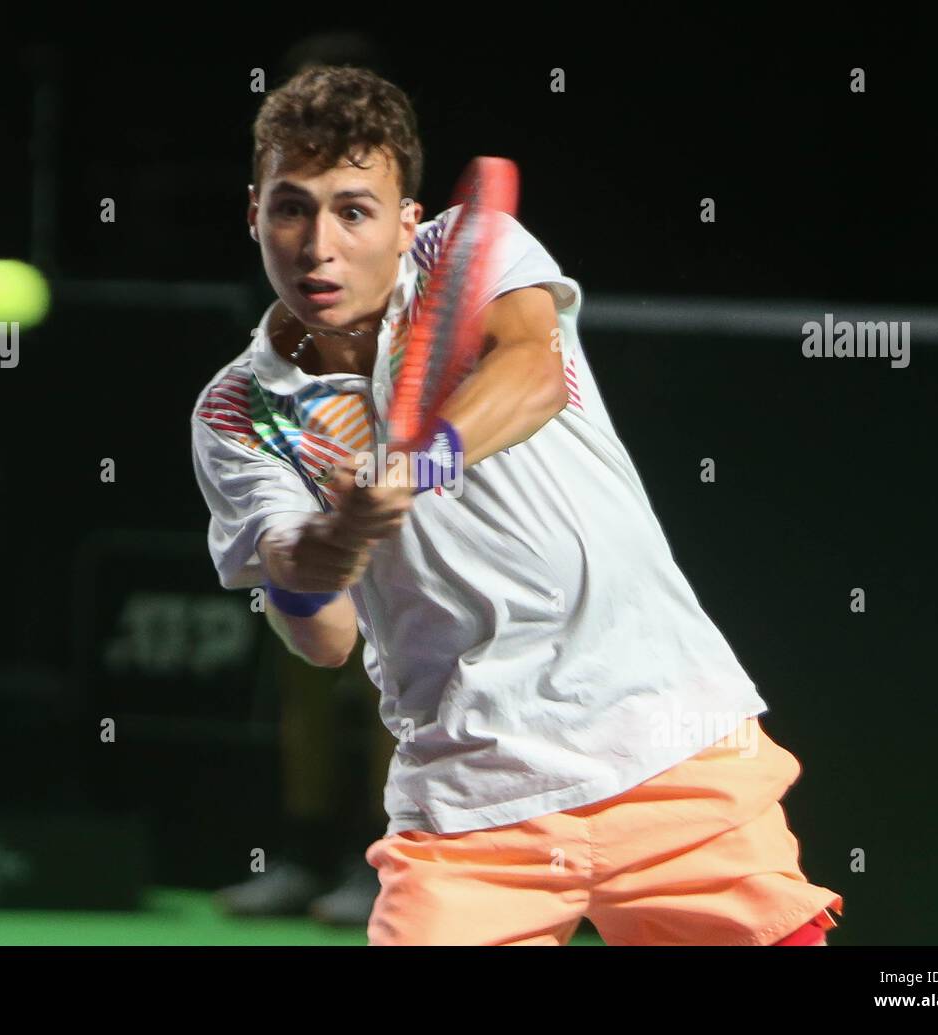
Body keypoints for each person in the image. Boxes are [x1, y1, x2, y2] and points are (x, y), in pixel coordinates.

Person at [190, 64, 843, 945]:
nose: (318, 245)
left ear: (407, 219)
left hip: (668, 740)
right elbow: (323, 635)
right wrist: (331, 543)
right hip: (466, 804)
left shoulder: (468, 245)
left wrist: (417, 464)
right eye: (291, 207)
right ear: (253, 212)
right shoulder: (237, 411)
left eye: (353, 209)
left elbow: (533, 369)